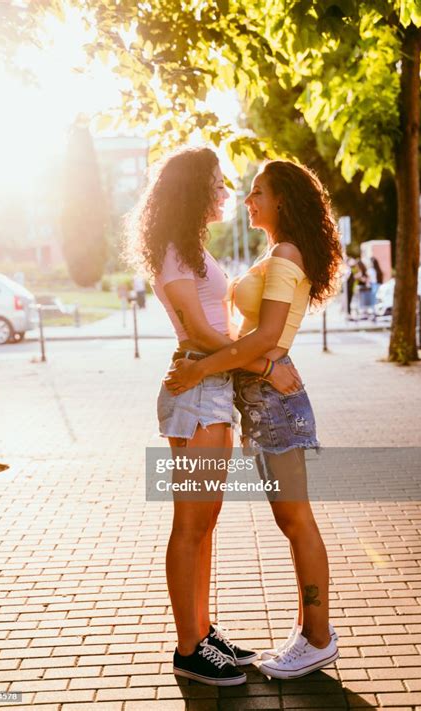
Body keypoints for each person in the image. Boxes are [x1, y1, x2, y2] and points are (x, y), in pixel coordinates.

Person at [126, 147, 301, 687]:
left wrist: (242, 361)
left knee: (205, 524)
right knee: (191, 524)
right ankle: (188, 649)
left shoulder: (191, 251)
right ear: (193, 190)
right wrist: (266, 362)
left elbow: (211, 334)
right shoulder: (175, 253)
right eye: (217, 184)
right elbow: (199, 334)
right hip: (198, 394)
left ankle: (202, 633)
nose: (226, 192)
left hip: (211, 389)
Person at [165, 159, 343, 679]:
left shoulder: (286, 254)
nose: (248, 200)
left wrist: (201, 370)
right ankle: (308, 632)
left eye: (258, 192)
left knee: (296, 520)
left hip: (275, 403)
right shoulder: (276, 254)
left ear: (282, 199)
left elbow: (266, 338)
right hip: (261, 401)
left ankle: (318, 638)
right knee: (290, 520)